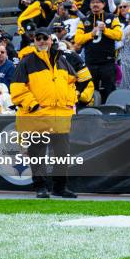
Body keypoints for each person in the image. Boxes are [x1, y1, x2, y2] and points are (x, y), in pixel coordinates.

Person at [10, 27, 78, 199]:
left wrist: (69, 101)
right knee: (37, 154)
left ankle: (60, 187)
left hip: (60, 118)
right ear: (34, 41)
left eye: (44, 38)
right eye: (37, 38)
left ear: (50, 40)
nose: (41, 41)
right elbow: (17, 89)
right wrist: (34, 106)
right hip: (37, 118)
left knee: (62, 155)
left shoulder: (61, 60)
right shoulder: (26, 61)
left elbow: (72, 83)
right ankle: (40, 187)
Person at [74, 0, 123, 103]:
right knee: (91, 91)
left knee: (109, 90)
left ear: (103, 4)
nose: (95, 4)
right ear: (90, 5)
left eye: (98, 2)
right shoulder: (84, 20)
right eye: (93, 2)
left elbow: (119, 35)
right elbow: (77, 39)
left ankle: (110, 115)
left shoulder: (112, 17)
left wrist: (105, 30)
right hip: (91, 62)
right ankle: (91, 115)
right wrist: (91, 34)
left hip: (108, 62)